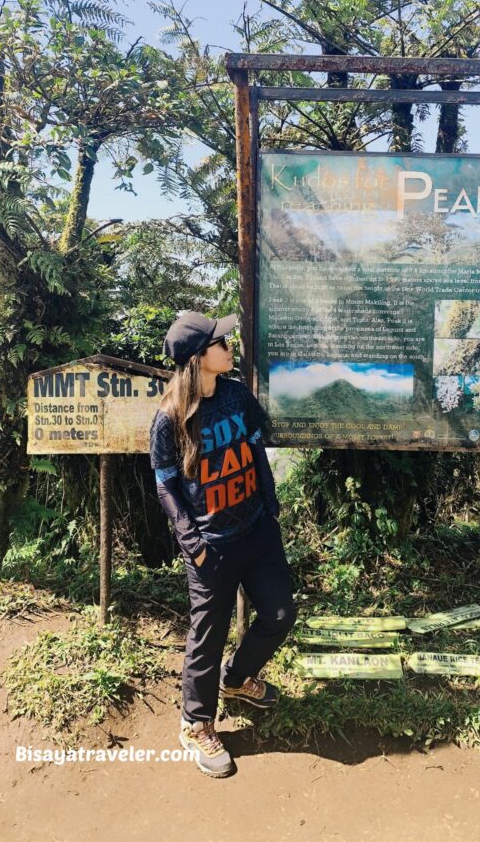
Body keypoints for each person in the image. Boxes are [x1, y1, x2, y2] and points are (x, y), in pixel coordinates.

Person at [149, 310, 297, 777]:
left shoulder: (236, 395)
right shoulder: (170, 418)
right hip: (210, 546)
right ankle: (196, 723)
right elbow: (166, 486)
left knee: (279, 613)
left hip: (256, 529)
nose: (228, 346)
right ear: (198, 358)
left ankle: (236, 680)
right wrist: (192, 543)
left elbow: (255, 451)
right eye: (220, 342)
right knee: (206, 638)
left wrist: (269, 505)